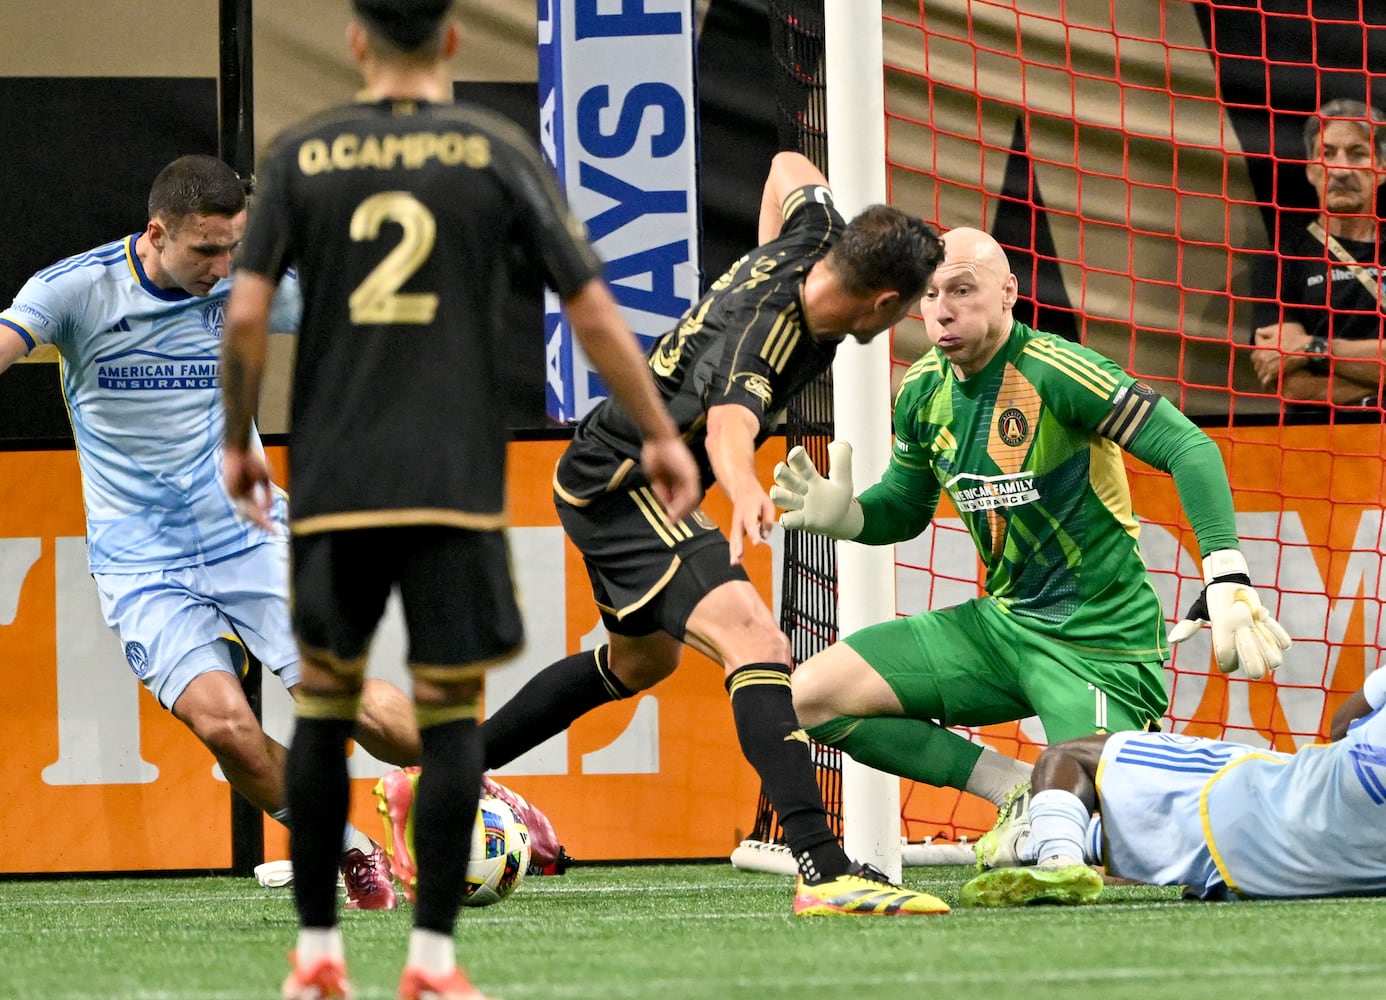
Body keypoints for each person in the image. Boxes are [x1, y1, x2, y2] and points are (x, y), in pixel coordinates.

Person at [219, 1, 701, 997]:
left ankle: (316, 955)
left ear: (355, 41)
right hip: (452, 486)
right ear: (448, 40)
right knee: (447, 728)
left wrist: (237, 438)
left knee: (323, 712)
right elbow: (594, 309)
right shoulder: (493, 149)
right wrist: (659, 431)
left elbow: (251, 312)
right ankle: (432, 961)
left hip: (340, 485)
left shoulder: (302, 154)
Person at [476, 150, 950, 919]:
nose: (906, 326)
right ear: (883, 302)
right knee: (758, 642)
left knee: (639, 662)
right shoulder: (768, 337)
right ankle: (824, 870)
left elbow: (784, 165)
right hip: (627, 483)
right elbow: (733, 422)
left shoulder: (817, 231)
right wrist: (744, 490)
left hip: (610, 462)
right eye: (907, 312)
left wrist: (761, 253)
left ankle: (453, 771)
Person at [770, 226, 1292, 867]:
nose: (942, 310)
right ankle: (1013, 789)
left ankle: (1197, 792)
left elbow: (1189, 447)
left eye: (963, 289)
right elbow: (904, 510)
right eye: (931, 294)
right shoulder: (921, 392)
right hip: (1001, 626)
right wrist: (847, 516)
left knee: (1106, 844)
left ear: (1009, 292)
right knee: (812, 695)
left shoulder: (1056, 370)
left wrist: (1228, 573)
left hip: (1098, 642)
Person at [0, 153, 417, 911]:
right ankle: (350, 852)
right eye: (207, 250)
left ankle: (485, 798)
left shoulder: (244, 284)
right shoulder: (76, 290)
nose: (223, 266)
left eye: (235, 247)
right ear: (157, 233)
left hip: (250, 537)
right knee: (227, 726)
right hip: (141, 564)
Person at [957, 667, 1386, 906]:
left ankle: (1055, 856)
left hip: (1246, 801)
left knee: (1066, 757)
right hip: (1282, 878)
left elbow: (1340, 727)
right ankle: (1034, 842)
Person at [1250, 98, 1386, 409]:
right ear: (1311, 170)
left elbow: (1298, 360)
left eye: (1357, 154)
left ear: (1380, 169)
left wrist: (1312, 348)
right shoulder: (1281, 261)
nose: (1340, 169)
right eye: (1327, 154)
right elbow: (1292, 385)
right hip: (1317, 441)